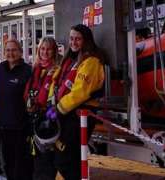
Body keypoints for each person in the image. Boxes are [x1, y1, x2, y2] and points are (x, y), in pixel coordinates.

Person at [44, 24, 105, 180]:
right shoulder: (69, 61)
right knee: (66, 160)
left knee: (67, 160)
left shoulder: (91, 62)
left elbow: (80, 92)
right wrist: (51, 105)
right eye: (71, 38)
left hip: (79, 115)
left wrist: (58, 109)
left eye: (78, 39)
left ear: (86, 40)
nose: (74, 42)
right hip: (65, 114)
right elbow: (55, 82)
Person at [23, 37, 62, 180]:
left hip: (47, 122)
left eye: (49, 49)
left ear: (54, 51)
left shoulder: (57, 69)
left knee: (46, 162)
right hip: (32, 119)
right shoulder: (34, 69)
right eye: (42, 49)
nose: (45, 52)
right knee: (34, 160)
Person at [0, 38, 32, 180]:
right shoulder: (0, 69)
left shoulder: (27, 71)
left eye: (14, 50)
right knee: (7, 163)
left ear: (21, 52)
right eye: (8, 50)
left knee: (21, 164)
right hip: (3, 125)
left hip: (21, 126)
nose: (11, 53)